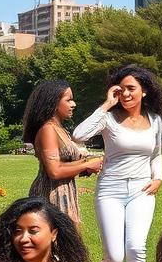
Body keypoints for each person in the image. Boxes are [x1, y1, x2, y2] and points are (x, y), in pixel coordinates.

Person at [72, 65, 162, 262]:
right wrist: (105, 104)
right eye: (121, 88)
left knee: (137, 249)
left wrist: (158, 177)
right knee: (114, 255)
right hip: (110, 190)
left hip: (142, 190)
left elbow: (156, 153)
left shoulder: (155, 120)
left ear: (144, 91)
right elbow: (79, 135)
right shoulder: (109, 118)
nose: (125, 93)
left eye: (131, 88)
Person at [22, 80, 104, 223]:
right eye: (69, 100)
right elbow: (54, 171)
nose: (74, 104)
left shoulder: (60, 129)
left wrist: (88, 163)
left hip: (65, 192)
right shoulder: (48, 129)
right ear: (53, 103)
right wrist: (85, 165)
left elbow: (63, 164)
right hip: (51, 196)